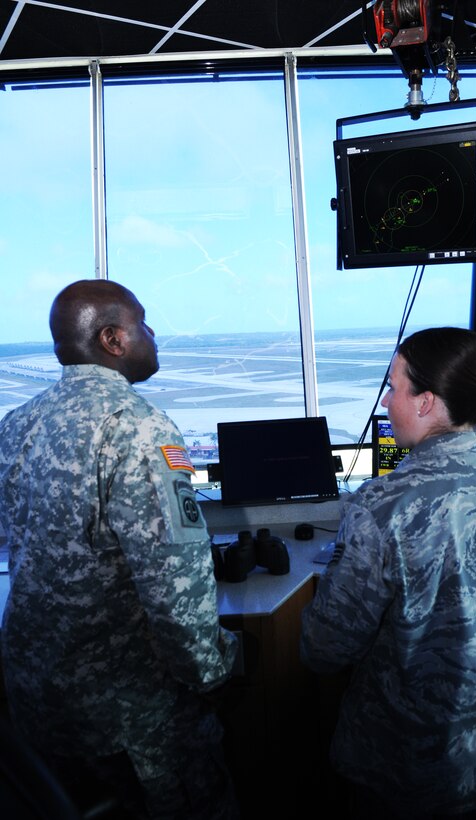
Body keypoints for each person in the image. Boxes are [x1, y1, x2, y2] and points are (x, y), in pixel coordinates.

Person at [0, 279, 239, 820]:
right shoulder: (141, 429)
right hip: (129, 716)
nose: (153, 335)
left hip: (39, 702)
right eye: (143, 324)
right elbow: (176, 585)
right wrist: (216, 672)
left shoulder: (16, 424)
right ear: (113, 339)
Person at [300, 326, 476, 819]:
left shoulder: (379, 505)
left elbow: (325, 649)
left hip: (404, 770)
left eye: (393, 388)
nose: (386, 403)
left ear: (426, 402)